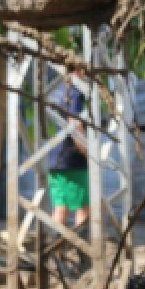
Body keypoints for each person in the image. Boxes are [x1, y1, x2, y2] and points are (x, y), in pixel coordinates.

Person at [47, 82, 90, 230]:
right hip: (73, 159)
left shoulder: (56, 90)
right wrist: (87, 151)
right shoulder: (76, 91)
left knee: (61, 207)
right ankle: (83, 249)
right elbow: (75, 123)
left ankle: (55, 251)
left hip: (55, 158)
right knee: (83, 208)